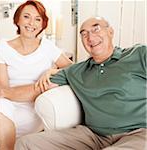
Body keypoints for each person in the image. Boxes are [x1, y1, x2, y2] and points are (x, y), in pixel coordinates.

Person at [15, 16, 147, 150]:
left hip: (138, 133)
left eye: (96, 29)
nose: (90, 37)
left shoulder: (139, 54)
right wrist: (2, 92)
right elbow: (36, 89)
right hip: (93, 135)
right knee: (25, 143)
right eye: (84, 34)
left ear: (110, 32)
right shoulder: (77, 71)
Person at [0, 0, 73, 150]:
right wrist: (30, 89)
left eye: (37, 19)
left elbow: (73, 70)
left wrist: (52, 71)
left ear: (43, 24)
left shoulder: (48, 47)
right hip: (8, 104)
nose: (31, 23)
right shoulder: (2, 48)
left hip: (35, 106)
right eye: (26, 17)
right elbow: (3, 91)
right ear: (17, 19)